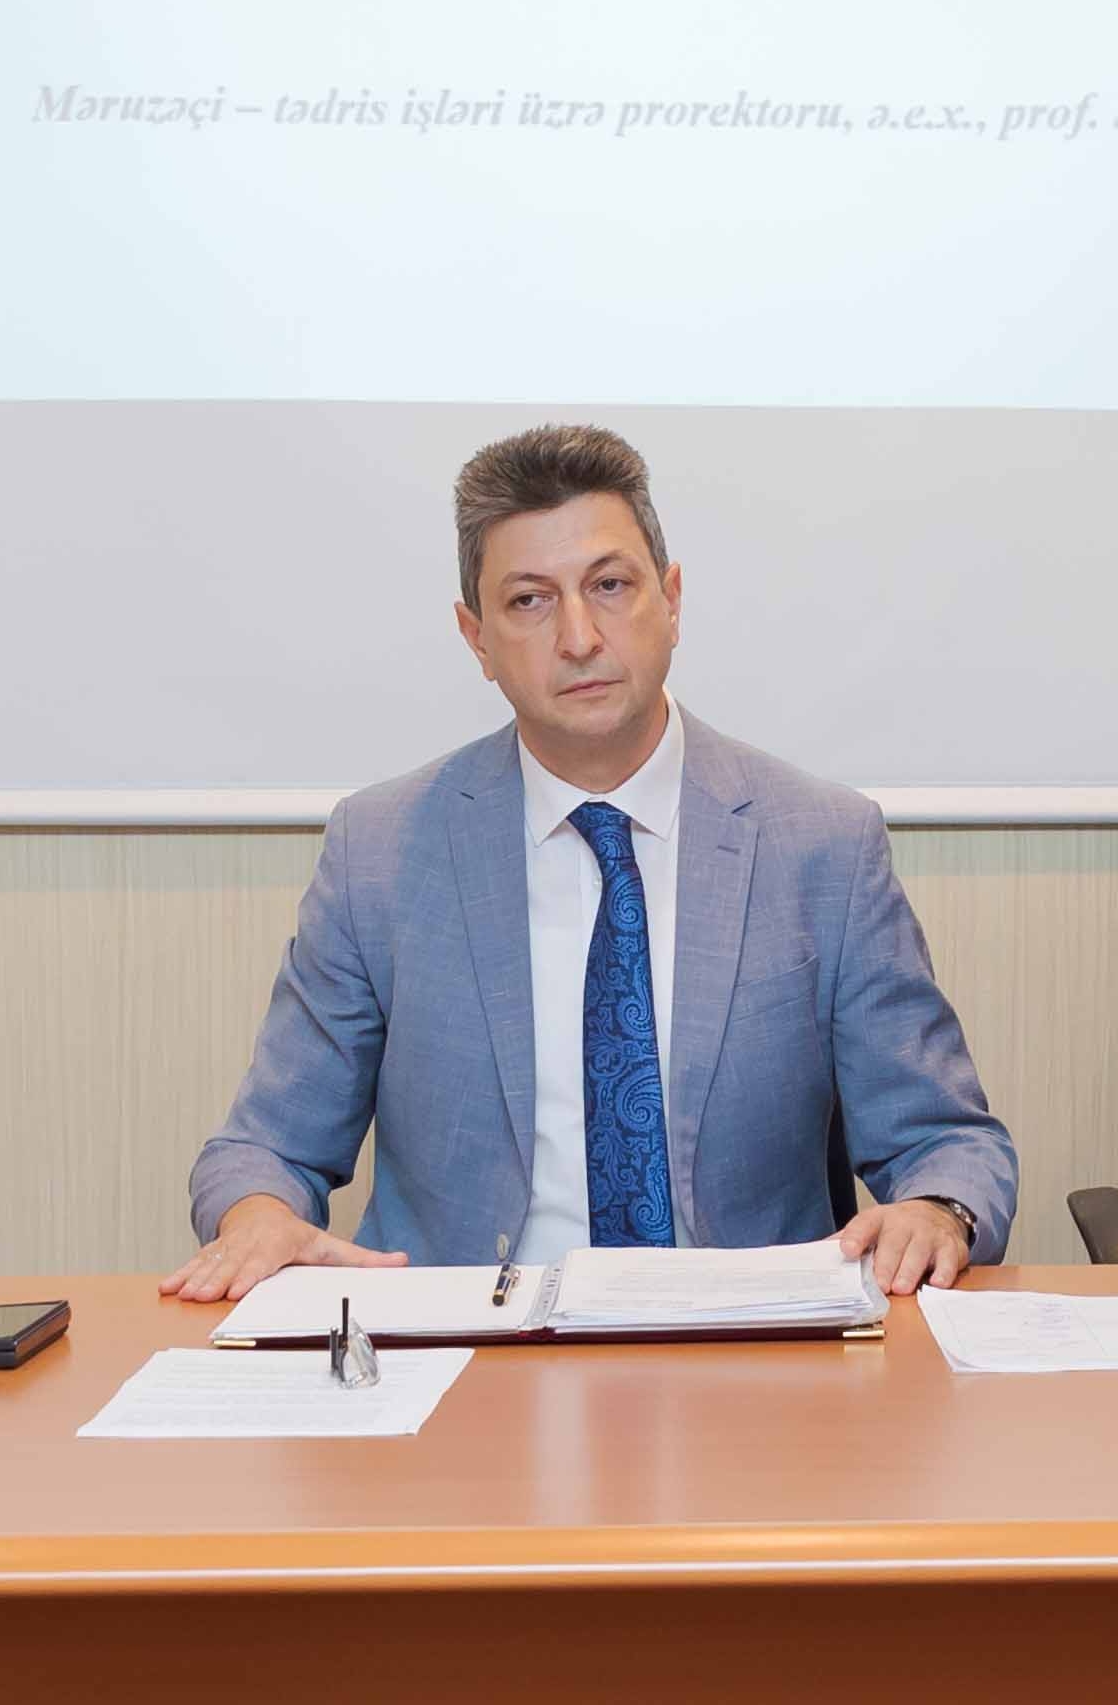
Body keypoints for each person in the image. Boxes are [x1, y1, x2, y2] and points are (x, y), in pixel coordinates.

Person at [177, 424, 1016, 1304]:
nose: (578, 637)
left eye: (610, 586)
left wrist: (937, 1209)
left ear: (672, 599)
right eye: (529, 601)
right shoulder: (380, 850)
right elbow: (263, 1147)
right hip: (461, 1340)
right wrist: (256, 1214)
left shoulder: (823, 843)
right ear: (476, 638)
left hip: (745, 1336)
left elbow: (948, 1142)